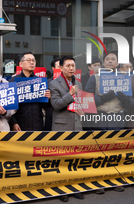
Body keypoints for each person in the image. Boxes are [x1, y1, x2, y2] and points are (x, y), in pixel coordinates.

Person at [49, 56, 84, 201]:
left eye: (73, 65)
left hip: (77, 124)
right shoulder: (53, 84)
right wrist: (70, 94)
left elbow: (81, 102)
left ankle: (74, 187)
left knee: (75, 159)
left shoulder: (79, 83)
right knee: (62, 160)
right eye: (68, 65)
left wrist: (83, 109)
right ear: (61, 68)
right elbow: (56, 105)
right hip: (61, 126)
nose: (71, 68)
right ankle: (61, 190)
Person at [84, 51, 131, 131]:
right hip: (100, 118)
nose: (110, 61)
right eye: (107, 59)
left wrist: (125, 100)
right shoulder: (94, 78)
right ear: (104, 63)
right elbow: (86, 99)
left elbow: (130, 102)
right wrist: (102, 99)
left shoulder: (124, 78)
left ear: (117, 63)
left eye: (113, 59)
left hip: (118, 118)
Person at [9, 52, 51, 131]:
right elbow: (8, 107)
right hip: (19, 125)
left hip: (37, 124)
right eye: (28, 60)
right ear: (20, 64)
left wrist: (48, 98)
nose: (31, 62)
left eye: (33, 60)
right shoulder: (13, 81)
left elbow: (45, 106)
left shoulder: (40, 81)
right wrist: (13, 123)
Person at [45, 57, 61, 131]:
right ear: (53, 68)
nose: (61, 69)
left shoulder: (71, 83)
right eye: (58, 66)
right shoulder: (47, 83)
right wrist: (49, 98)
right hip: (51, 117)